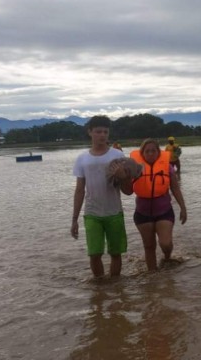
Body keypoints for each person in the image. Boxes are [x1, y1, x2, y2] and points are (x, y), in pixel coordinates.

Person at [71, 115, 130, 278]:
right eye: (98, 131)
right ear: (90, 132)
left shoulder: (117, 155)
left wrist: (123, 176)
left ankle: (113, 289)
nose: (102, 135)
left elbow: (128, 190)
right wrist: (74, 219)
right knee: (94, 254)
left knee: (116, 253)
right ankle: (99, 285)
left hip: (114, 212)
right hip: (92, 213)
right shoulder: (82, 158)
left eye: (105, 132)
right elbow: (79, 190)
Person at [125, 138, 187, 271]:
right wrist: (123, 177)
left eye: (154, 151)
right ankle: (153, 278)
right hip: (142, 214)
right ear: (142, 153)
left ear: (159, 152)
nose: (151, 153)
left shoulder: (167, 167)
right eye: (147, 151)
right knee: (149, 246)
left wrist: (183, 208)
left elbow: (175, 188)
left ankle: (167, 257)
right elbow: (128, 191)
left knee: (165, 243)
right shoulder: (135, 168)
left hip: (164, 211)